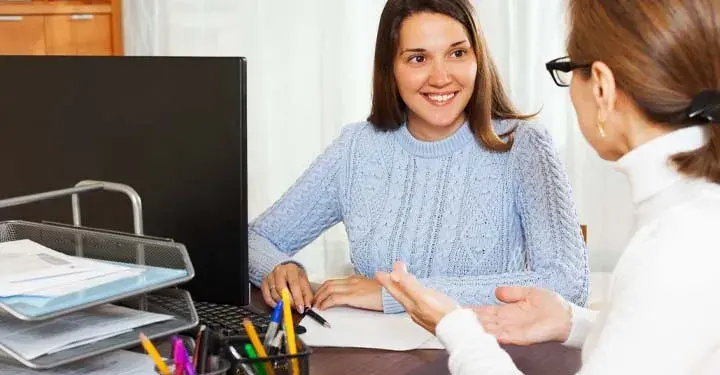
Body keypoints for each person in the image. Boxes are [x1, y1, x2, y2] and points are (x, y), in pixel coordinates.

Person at [377, 0, 720, 373]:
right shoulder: (689, 214)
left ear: (602, 87)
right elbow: (662, 339)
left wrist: (456, 328)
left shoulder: (677, 244)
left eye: (570, 70)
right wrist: (573, 323)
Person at [249, 0, 588, 315]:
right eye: (417, 58)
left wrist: (401, 294)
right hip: (375, 356)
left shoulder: (522, 144)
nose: (441, 78)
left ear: (478, 59)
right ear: (390, 69)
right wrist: (282, 270)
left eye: (457, 53)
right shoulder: (357, 149)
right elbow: (253, 239)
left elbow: (567, 281)